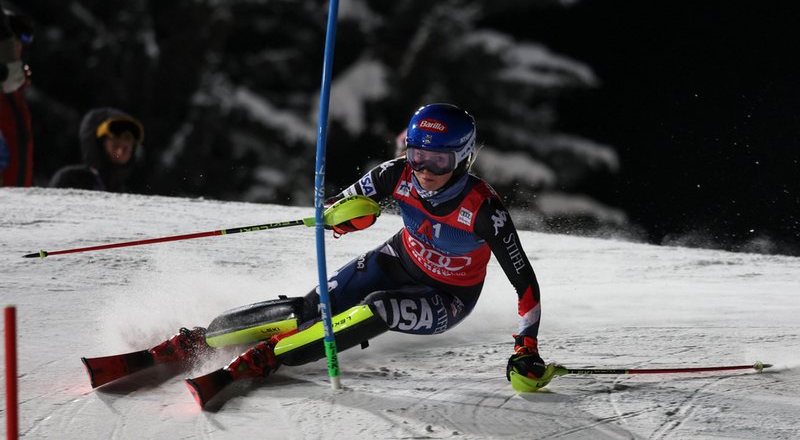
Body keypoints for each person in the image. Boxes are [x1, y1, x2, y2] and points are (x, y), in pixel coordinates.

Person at [148, 103, 553, 393]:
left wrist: (526, 347)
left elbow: (525, 284)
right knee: (311, 308)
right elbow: (336, 207)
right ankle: (205, 337)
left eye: (439, 162)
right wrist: (341, 217)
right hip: (397, 259)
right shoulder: (396, 174)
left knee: (379, 308)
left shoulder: (484, 210)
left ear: (462, 158)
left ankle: (271, 356)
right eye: (417, 156)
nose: (425, 171)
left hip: (448, 297)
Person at [49, 107, 144, 192]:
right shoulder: (71, 180)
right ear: (99, 142)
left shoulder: (128, 191)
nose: (123, 143)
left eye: (128, 138)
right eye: (116, 135)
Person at [0, 9, 34, 187]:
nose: (16, 50)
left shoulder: (14, 94)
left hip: (15, 197)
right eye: (12, 44)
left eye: (20, 45)